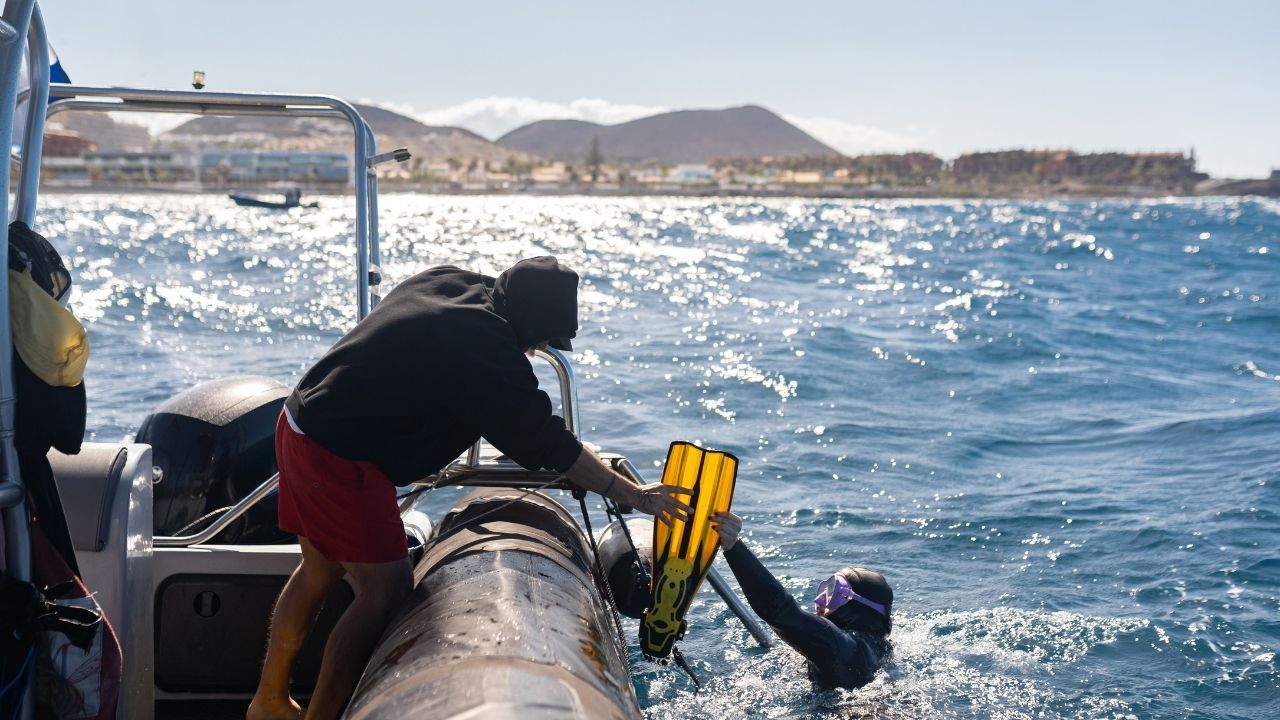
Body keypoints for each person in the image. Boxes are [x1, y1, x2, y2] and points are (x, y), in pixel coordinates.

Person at [247, 256, 692, 720]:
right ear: (530, 321)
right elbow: (547, 442)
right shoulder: (486, 350)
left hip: (299, 420)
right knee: (384, 590)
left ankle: (270, 701)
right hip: (336, 454)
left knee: (319, 569)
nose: (539, 348)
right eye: (542, 337)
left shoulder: (455, 285)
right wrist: (634, 496)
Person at [711, 511, 893, 689]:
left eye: (833, 592)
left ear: (857, 608)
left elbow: (780, 612)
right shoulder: (878, 651)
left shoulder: (844, 648)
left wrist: (733, 546)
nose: (820, 602)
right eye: (824, 590)